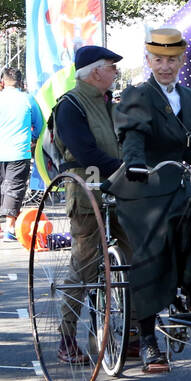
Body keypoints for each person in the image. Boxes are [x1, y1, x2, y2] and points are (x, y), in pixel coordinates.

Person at [114, 27, 191, 370]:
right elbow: (133, 138)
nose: (165, 66)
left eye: (172, 60)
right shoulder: (137, 95)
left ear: (181, 61)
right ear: (148, 60)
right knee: (152, 250)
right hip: (142, 183)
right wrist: (134, 163)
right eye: (159, 60)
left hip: (175, 182)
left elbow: (190, 149)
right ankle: (147, 339)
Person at [47, 45, 127, 364]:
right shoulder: (70, 105)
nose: (116, 72)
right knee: (84, 262)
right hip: (86, 187)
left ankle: (122, 334)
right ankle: (67, 338)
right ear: (95, 71)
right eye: (111, 66)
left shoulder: (109, 103)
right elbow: (84, 152)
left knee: (128, 256)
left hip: (119, 185)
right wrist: (122, 168)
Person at [0, 67, 45, 240]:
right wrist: (33, 136)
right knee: (15, 187)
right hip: (19, 150)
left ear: (3, 81)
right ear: (20, 82)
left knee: (5, 185)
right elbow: (39, 124)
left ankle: (11, 221)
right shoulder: (28, 99)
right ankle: (9, 227)